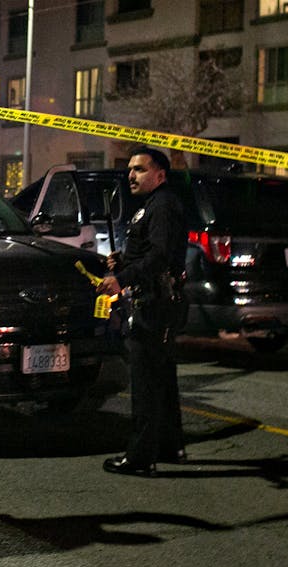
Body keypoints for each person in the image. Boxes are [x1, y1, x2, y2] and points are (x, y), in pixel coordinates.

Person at [97, 146, 188, 476]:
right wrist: (124, 262)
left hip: (155, 304)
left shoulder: (162, 206)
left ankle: (139, 457)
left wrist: (120, 279)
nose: (131, 175)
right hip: (159, 301)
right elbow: (151, 253)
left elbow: (161, 255)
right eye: (130, 169)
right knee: (162, 378)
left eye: (140, 169)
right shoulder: (155, 205)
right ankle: (170, 446)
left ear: (160, 174)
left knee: (146, 383)